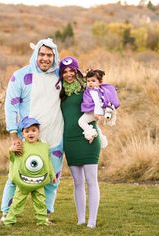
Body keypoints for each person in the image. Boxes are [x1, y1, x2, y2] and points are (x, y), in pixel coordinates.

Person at [0, 38, 64, 224]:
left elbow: (82, 89)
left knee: (51, 179)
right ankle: (6, 215)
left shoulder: (61, 76)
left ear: (54, 56)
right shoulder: (21, 75)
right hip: (27, 139)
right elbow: (11, 106)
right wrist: (13, 136)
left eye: (49, 55)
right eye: (42, 54)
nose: (45, 58)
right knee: (15, 177)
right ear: (36, 55)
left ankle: (45, 216)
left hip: (54, 139)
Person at [59, 56, 101, 228]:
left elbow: (102, 99)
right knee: (77, 182)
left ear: (77, 71)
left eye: (71, 70)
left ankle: (91, 221)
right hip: (70, 140)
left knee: (91, 180)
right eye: (65, 71)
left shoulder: (87, 88)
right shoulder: (59, 91)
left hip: (88, 137)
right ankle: (81, 219)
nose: (69, 74)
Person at [4, 117, 56, 226]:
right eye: (26, 131)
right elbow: (13, 159)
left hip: (39, 181)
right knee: (17, 202)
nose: (30, 133)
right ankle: (9, 220)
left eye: (33, 130)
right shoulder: (20, 145)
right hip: (23, 182)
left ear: (38, 131)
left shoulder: (44, 146)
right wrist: (11, 151)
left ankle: (42, 221)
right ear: (22, 133)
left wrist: (52, 174)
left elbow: (48, 161)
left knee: (40, 202)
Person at [78, 69, 120, 147]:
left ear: (100, 82)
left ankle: (90, 133)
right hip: (99, 110)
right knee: (96, 125)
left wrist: (97, 113)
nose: (90, 83)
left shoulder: (93, 92)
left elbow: (97, 103)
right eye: (88, 81)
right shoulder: (99, 89)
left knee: (81, 122)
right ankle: (102, 140)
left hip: (95, 111)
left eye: (93, 81)